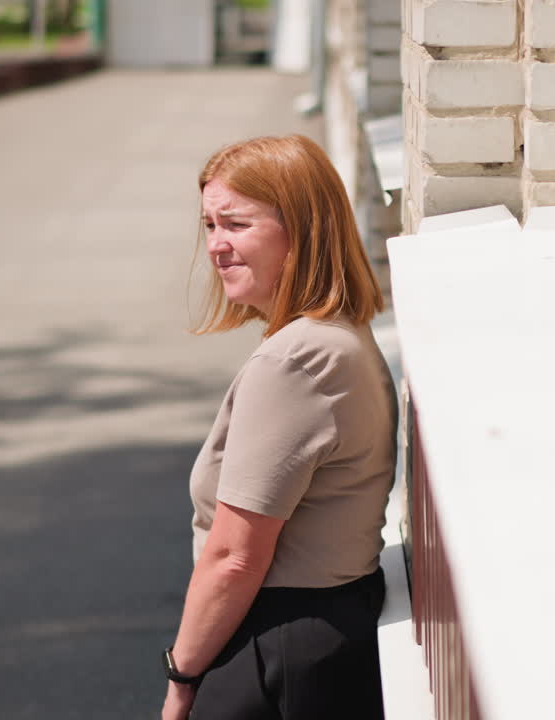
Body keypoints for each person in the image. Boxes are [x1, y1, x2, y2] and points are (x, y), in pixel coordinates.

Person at [161, 135, 397, 720]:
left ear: (303, 229)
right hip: (319, 634)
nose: (216, 246)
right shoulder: (339, 334)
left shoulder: (293, 360)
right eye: (210, 225)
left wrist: (181, 679)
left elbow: (234, 557)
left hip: (280, 646)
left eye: (236, 224)